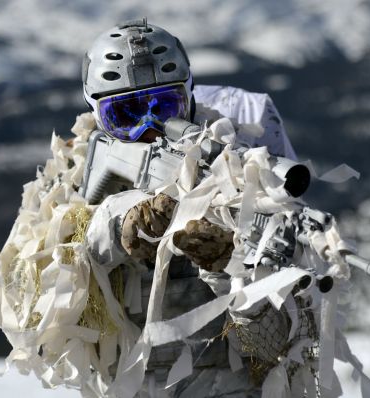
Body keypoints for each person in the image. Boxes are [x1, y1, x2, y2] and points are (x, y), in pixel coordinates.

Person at [81, 18, 310, 397]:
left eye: (165, 107)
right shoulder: (79, 167)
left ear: (188, 98)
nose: (149, 129)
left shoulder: (247, 176)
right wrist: (119, 220)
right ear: (96, 115)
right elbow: (44, 304)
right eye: (124, 116)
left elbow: (273, 350)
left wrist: (228, 268)